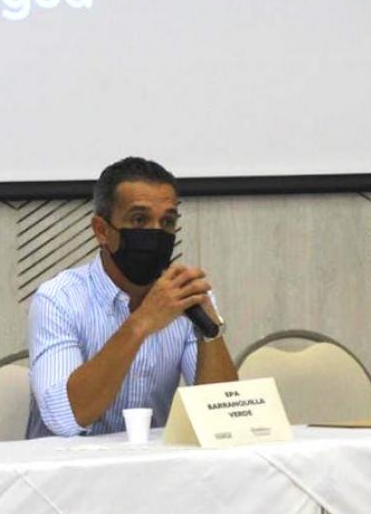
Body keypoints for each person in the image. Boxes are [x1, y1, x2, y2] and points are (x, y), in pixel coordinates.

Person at [26, 157, 238, 437]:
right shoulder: (59, 299)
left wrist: (210, 332)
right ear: (102, 230)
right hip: (68, 473)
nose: (155, 233)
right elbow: (65, 418)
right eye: (139, 220)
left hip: (155, 471)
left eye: (167, 222)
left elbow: (224, 418)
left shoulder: (183, 297)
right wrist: (142, 322)